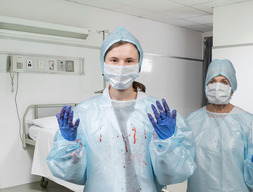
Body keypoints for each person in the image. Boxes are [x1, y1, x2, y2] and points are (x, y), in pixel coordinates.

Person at [46, 26, 196, 192]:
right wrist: (69, 145)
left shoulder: (158, 113)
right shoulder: (84, 113)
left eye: (129, 61)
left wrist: (168, 144)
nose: (121, 66)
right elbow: (70, 174)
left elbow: (177, 173)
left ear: (138, 65)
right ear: (103, 65)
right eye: (114, 60)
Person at [186, 59, 253, 192]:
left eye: (224, 82)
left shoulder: (249, 123)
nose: (217, 87)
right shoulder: (192, 120)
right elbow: (180, 164)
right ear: (206, 86)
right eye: (212, 81)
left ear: (232, 88)